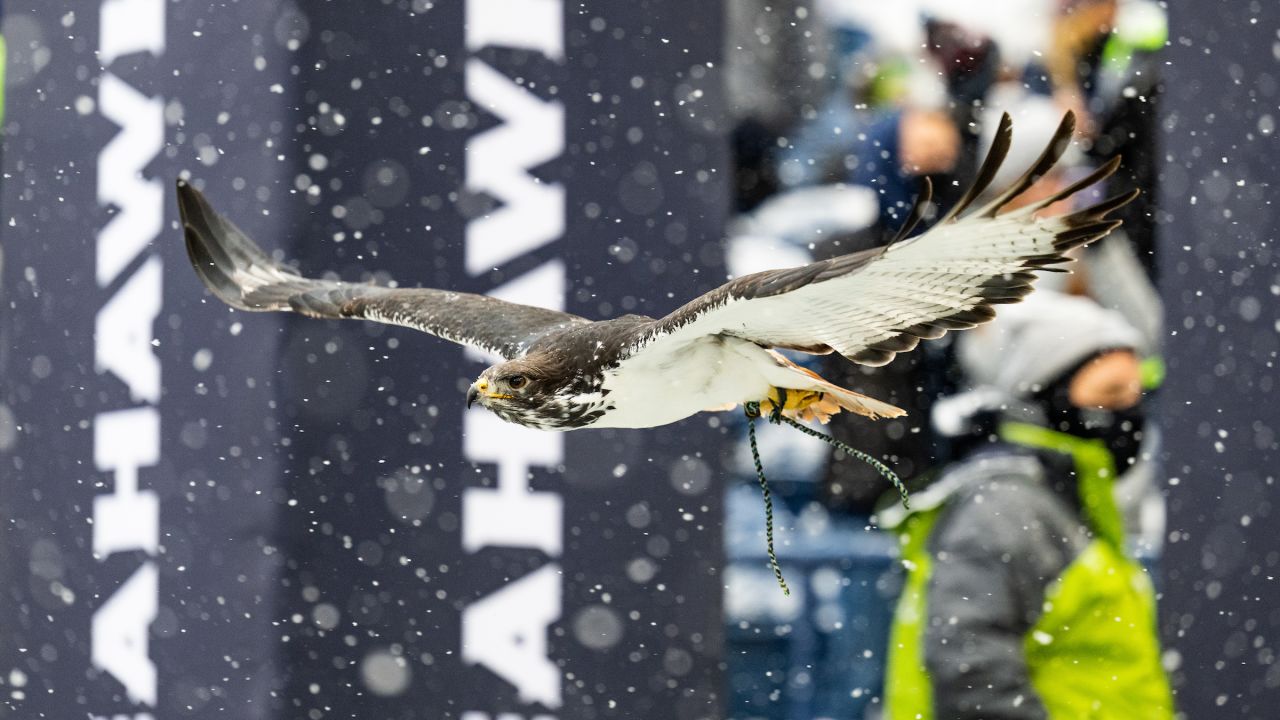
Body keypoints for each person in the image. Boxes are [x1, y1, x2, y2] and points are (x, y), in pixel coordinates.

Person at [879, 291, 1174, 719]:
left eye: (1135, 392)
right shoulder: (1006, 506)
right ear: (1046, 393)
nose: (1128, 412)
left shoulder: (1063, 501)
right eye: (1110, 393)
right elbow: (969, 672)